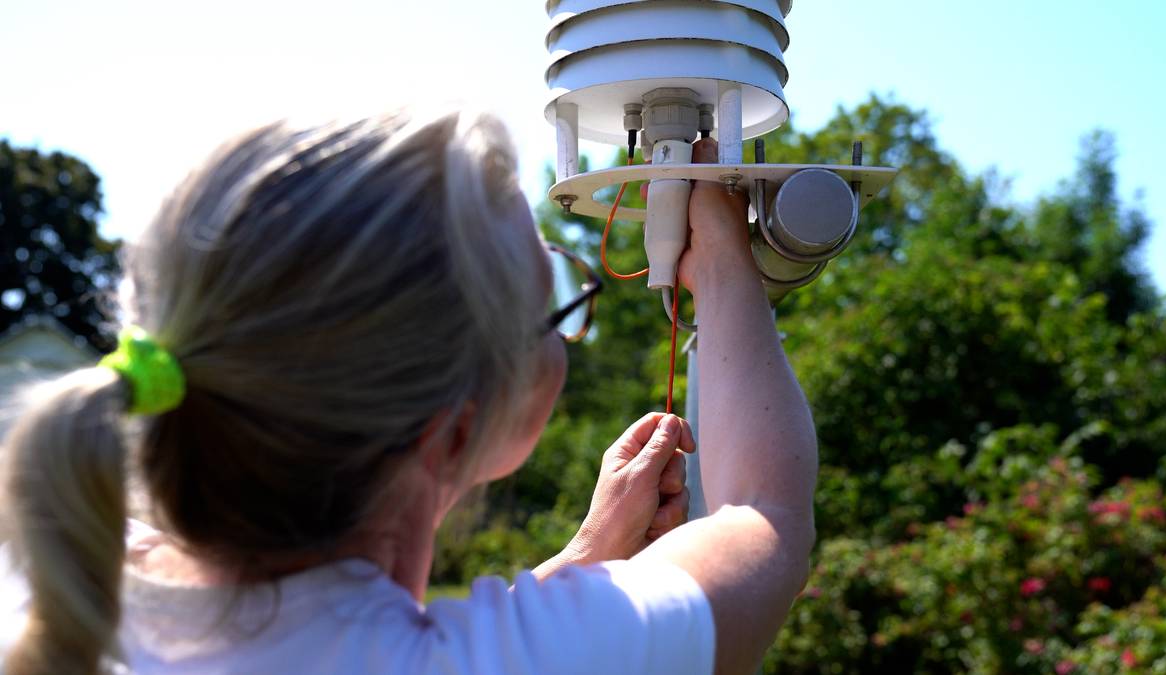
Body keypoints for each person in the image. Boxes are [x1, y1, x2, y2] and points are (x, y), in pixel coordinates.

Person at [0, 108, 818, 674]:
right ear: (456, 436)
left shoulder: (47, 585)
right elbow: (764, 516)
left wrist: (584, 556)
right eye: (555, 311)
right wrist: (718, 250)